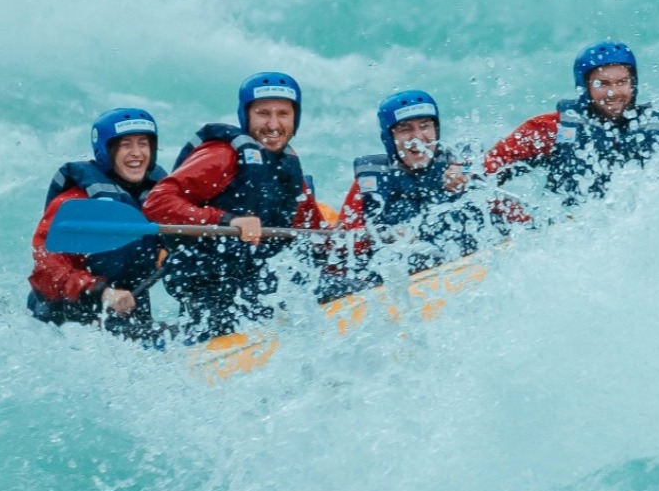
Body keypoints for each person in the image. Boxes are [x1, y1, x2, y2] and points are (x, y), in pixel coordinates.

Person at [143, 71, 328, 339]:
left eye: (283, 114)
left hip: (258, 275)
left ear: (295, 119)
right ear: (246, 116)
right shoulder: (222, 155)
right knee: (230, 320)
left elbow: (312, 229)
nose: (274, 125)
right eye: (263, 114)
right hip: (209, 280)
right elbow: (157, 202)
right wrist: (226, 219)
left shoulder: (288, 163)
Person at [333, 89, 526, 277]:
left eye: (425, 126)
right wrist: (384, 234)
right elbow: (343, 242)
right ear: (389, 139)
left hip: (470, 261)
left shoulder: (460, 161)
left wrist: (465, 172)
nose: (418, 137)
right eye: (405, 129)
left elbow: (488, 165)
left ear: (436, 130)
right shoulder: (371, 179)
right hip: (405, 274)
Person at [483, 41, 659, 204]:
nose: (613, 92)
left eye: (622, 82)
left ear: (633, 84)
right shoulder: (552, 128)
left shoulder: (657, 128)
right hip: (569, 226)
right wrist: (462, 173)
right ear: (584, 86)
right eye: (602, 84)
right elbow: (487, 167)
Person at [28, 107, 168, 339]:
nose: (136, 153)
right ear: (106, 151)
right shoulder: (75, 203)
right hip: (69, 320)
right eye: (125, 145)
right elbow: (46, 268)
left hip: (130, 309)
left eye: (143, 144)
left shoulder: (158, 196)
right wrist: (102, 292)